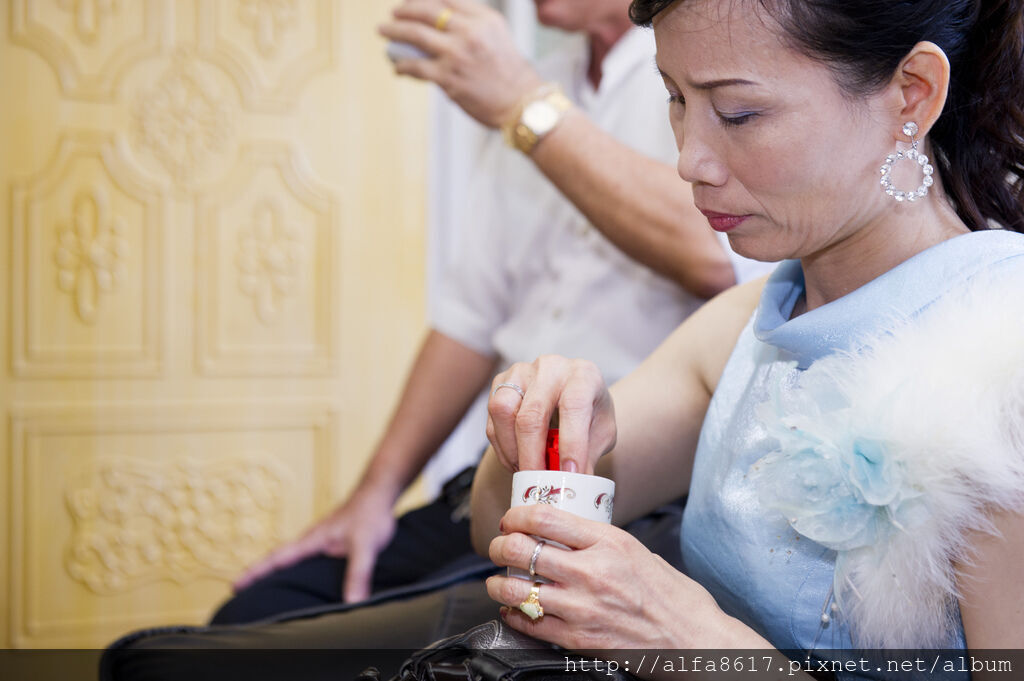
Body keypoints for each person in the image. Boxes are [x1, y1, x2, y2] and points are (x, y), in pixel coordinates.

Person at [473, 0, 1024, 671]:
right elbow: (493, 521)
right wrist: (541, 428)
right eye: (676, 98)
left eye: (738, 113)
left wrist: (694, 642)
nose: (690, 160)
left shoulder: (1001, 362)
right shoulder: (754, 321)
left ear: (912, 93)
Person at [213, 0, 763, 624]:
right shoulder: (546, 80)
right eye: (677, 101)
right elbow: (471, 319)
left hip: (633, 489)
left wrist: (526, 108)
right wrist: (374, 494)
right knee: (260, 610)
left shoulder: (688, 76)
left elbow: (717, 259)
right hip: (498, 479)